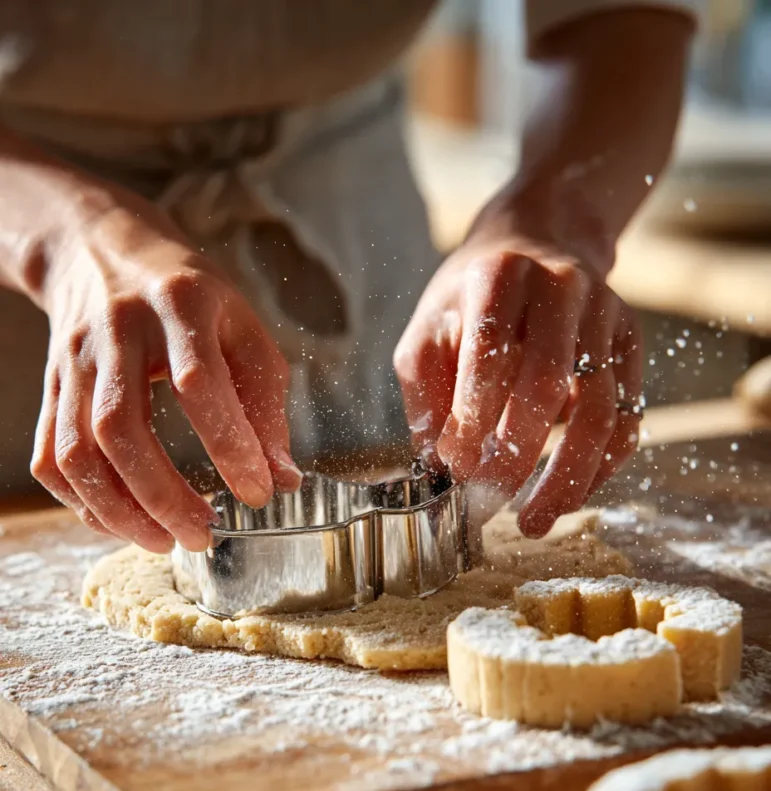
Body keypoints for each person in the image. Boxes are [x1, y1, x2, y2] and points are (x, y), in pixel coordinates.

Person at [0, 1, 697, 554]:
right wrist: (65, 239)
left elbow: (619, 16)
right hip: (25, 219)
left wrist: (551, 218)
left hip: (342, 196)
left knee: (411, 457)